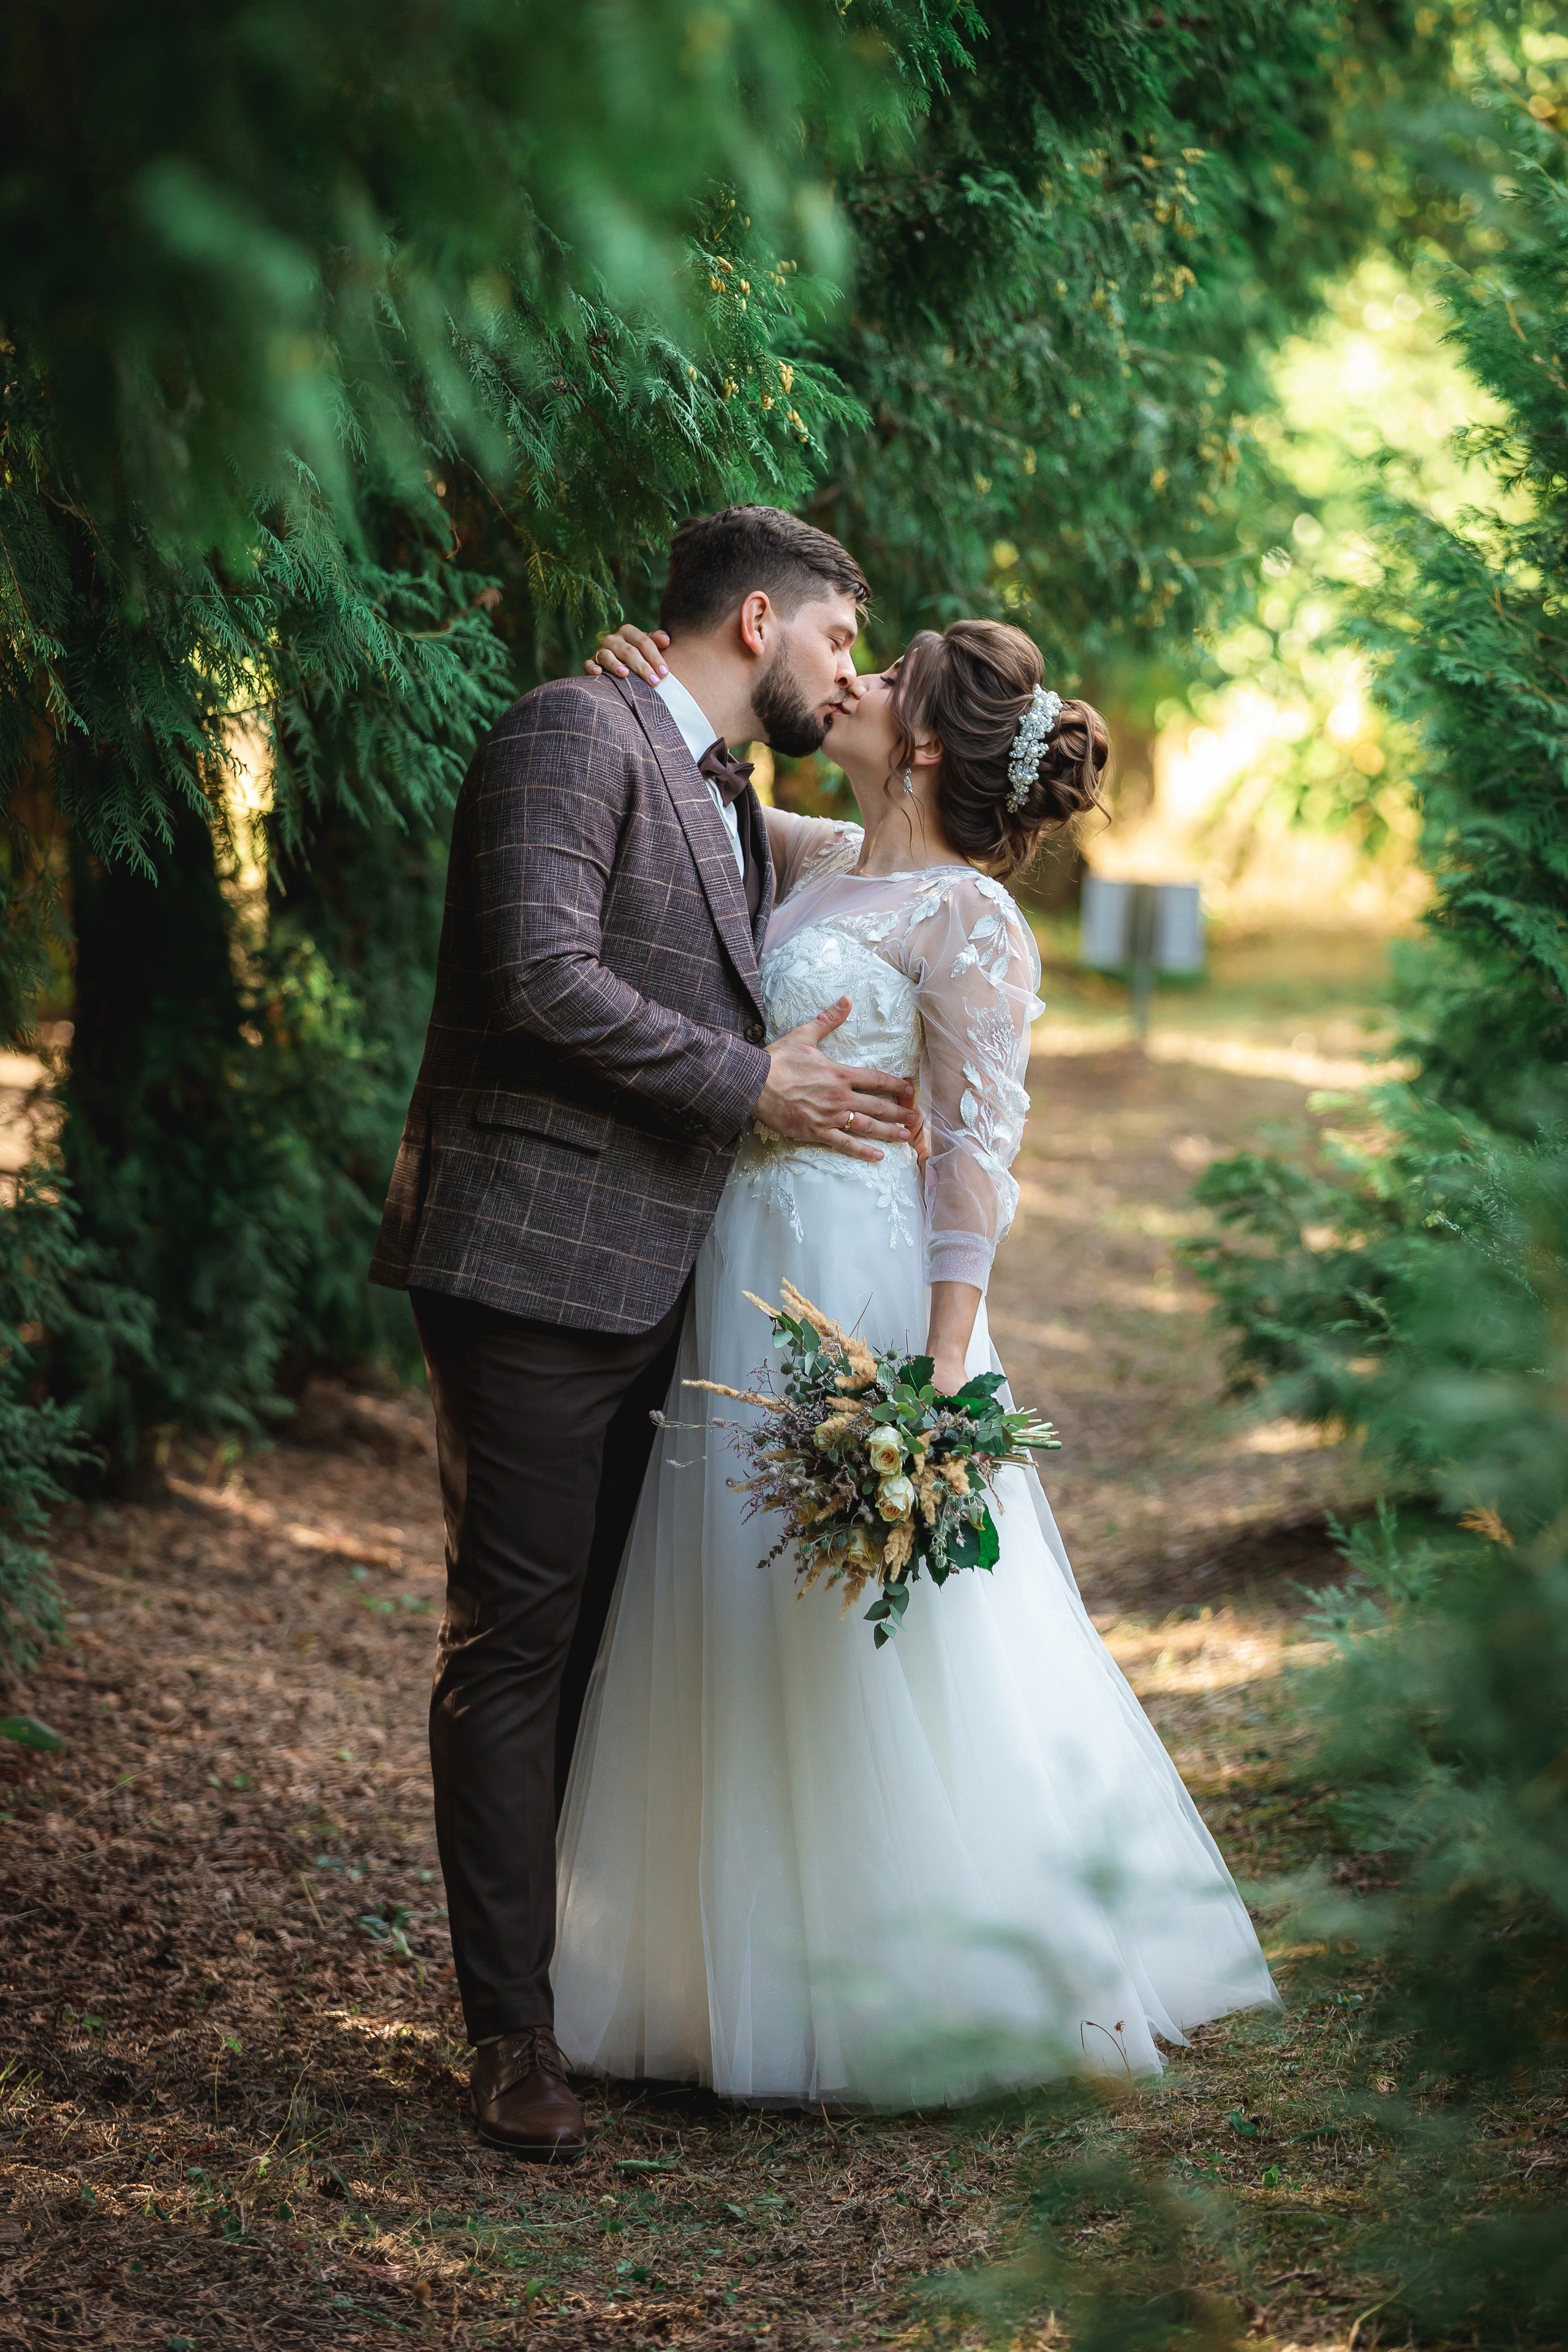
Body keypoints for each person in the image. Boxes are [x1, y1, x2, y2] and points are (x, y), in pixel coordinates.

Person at [551, 614, 1282, 2106]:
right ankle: (713, 1975)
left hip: (865, 1284)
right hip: (740, 1272)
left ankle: (919, 1977)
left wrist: (939, 1383)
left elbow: (976, 1162)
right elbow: (706, 793)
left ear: (928, 740)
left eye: (880, 683)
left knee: (863, 1615)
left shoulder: (970, 921)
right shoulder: (826, 863)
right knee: (728, 1584)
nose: (854, 687)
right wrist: (643, 685)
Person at [370, 507, 926, 2159]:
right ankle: (511, 2037)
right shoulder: (568, 728)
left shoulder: (727, 793)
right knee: (519, 1645)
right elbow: (537, 974)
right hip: (532, 1269)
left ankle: (596, 1986)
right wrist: (754, 1082)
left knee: (611, 1646)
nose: (847, 672)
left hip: (665, 1286)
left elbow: (900, 856)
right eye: (840, 638)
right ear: (759, 620)